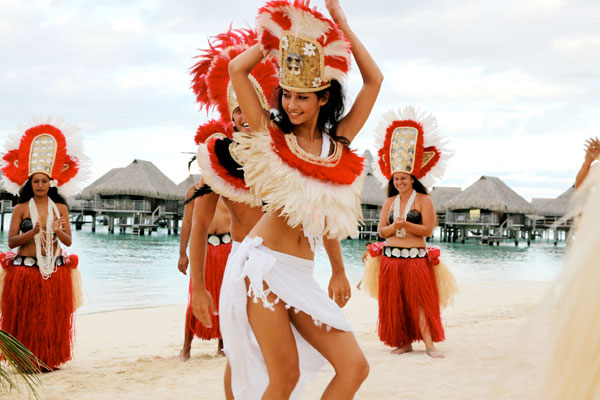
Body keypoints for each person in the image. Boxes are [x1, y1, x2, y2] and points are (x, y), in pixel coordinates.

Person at [218, 0, 383, 397]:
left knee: (354, 367)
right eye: (287, 95)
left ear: (324, 98)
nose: (291, 105)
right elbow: (237, 69)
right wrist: (275, 40)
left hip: (301, 272)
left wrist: (342, 25)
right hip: (263, 266)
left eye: (302, 97)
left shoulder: (336, 144)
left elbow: (374, 82)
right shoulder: (274, 138)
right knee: (285, 377)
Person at [189, 27, 355, 399]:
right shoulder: (221, 164)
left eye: (248, 108)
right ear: (231, 116)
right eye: (237, 111)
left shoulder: (286, 152)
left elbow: (316, 215)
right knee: (242, 357)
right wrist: (198, 286)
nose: (244, 117)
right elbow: (198, 229)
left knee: (279, 369)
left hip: (293, 266)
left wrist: (338, 269)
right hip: (249, 259)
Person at [0, 120, 86, 371]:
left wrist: (57, 230)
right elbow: (11, 241)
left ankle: (49, 358)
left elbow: (68, 241)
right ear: (30, 183)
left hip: (54, 271)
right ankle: (25, 359)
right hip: (25, 271)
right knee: (26, 318)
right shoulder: (21, 208)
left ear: (51, 183)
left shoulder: (60, 208)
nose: (40, 185)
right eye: (36, 181)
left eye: (44, 181)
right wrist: (33, 232)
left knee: (50, 319)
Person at [373, 106, 453, 358]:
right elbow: (381, 231)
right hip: (391, 259)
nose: (399, 182)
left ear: (412, 179)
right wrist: (393, 227)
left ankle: (429, 345)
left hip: (415, 260)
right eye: (396, 179)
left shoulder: (423, 200)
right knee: (395, 304)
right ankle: (404, 342)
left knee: (419, 303)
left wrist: (405, 226)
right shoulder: (389, 202)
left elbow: (427, 229)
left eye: (404, 178)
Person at [177, 181, 231, 360]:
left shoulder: (229, 188)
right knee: (195, 294)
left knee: (225, 296)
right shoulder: (194, 190)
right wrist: (182, 253)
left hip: (228, 248)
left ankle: (222, 346)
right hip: (202, 248)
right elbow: (187, 222)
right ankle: (186, 348)